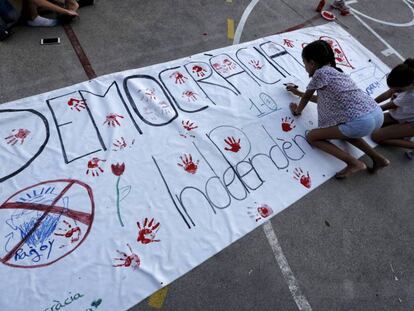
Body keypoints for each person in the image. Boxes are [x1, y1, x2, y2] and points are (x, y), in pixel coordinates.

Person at [286, 40, 389, 178]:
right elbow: (321, 99)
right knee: (344, 131)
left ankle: (353, 163)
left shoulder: (320, 74)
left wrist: (297, 111)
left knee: (312, 137)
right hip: (376, 113)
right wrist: (297, 93)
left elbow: (307, 98)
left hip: (361, 122)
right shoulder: (336, 72)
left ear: (312, 63)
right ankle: (378, 159)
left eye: (304, 63)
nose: (305, 67)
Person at [371, 59, 414, 157]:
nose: (395, 91)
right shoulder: (407, 74)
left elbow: (387, 106)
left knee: (376, 136)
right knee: (374, 121)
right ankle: (403, 132)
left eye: (399, 89)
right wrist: (371, 102)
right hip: (405, 114)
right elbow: (390, 92)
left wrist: (366, 108)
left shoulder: (411, 95)